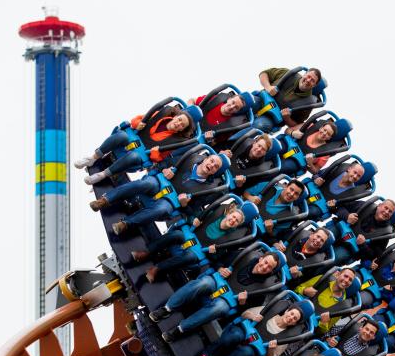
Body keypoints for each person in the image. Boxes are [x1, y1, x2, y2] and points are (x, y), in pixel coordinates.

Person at [152, 250, 284, 340]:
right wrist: (221, 269)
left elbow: (245, 310)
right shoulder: (244, 256)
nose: (265, 267)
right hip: (218, 282)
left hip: (228, 299)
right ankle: (167, 308)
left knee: (219, 308)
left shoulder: (263, 288)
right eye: (265, 262)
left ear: (271, 271)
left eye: (269, 267)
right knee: (203, 283)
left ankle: (180, 329)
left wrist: (242, 303)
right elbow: (218, 261)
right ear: (261, 258)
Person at [88, 152, 230, 235]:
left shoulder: (208, 188)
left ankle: (126, 224)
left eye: (215, 167)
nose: (211, 165)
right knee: (146, 183)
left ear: (216, 172)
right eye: (211, 161)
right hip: (159, 183)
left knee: (162, 209)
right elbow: (163, 163)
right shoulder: (189, 158)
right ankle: (105, 200)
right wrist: (164, 170)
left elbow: (193, 209)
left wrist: (185, 204)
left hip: (170, 201)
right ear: (206, 158)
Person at [133, 200, 259, 283]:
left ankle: (156, 268)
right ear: (228, 214)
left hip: (201, 248)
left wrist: (213, 252)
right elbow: (198, 215)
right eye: (233, 217)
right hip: (192, 234)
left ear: (237, 225)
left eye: (236, 221)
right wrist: (195, 220)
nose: (233, 221)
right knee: (176, 234)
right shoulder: (217, 211)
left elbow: (219, 256)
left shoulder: (234, 237)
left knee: (190, 256)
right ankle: (146, 252)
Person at [192, 300, 314, 356]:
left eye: (295, 319)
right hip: (245, 332)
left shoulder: (286, 337)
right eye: (292, 314)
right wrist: (252, 316)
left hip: (254, 347)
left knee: (245, 353)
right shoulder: (271, 310)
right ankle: (206, 355)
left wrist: (271, 349)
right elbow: (244, 314)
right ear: (287, 310)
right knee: (233, 336)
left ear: (294, 324)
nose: (291, 318)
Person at [74, 101, 202, 172]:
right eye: (179, 120)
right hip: (133, 137)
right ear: (176, 116)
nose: (178, 124)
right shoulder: (162, 113)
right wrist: (138, 123)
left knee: (134, 157)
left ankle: (105, 174)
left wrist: (155, 153)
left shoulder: (176, 141)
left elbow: (160, 157)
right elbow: (138, 119)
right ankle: (93, 158)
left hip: (142, 152)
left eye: (182, 125)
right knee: (122, 136)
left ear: (183, 129)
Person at [330, 198, 395, 264]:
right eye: (386, 208)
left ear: (391, 216)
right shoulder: (365, 206)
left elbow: (374, 255)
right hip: (339, 230)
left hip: (349, 248)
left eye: (390, 212)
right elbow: (340, 207)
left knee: (336, 257)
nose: (386, 212)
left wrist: (363, 245)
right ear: (379, 205)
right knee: (325, 236)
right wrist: (347, 216)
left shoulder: (385, 234)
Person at [256, 67, 324, 131]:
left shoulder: (309, 103)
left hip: (270, 118)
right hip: (259, 100)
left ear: (314, 85)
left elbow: (296, 124)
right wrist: (268, 87)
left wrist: (287, 118)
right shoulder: (290, 74)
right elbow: (264, 73)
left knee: (259, 125)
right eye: (309, 76)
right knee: (246, 101)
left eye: (312, 80)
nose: (308, 80)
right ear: (305, 74)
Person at [295, 267, 359, 334]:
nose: (346, 280)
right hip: (296, 309)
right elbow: (297, 289)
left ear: (350, 284)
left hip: (305, 326)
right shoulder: (324, 279)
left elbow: (322, 332)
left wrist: (324, 324)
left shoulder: (342, 306)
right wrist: (304, 291)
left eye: (350, 280)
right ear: (338, 274)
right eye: (345, 276)